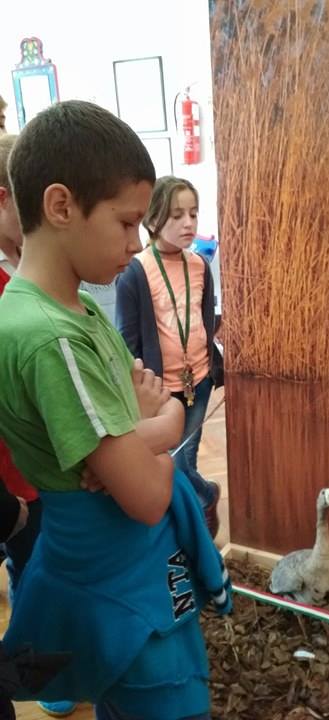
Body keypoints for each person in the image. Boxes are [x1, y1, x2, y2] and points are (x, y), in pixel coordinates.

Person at [0, 100, 231, 720]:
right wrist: (166, 424)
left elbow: (136, 419)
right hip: (117, 579)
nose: (136, 243)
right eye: (127, 223)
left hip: (122, 570)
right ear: (60, 205)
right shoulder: (53, 339)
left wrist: (134, 437)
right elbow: (147, 497)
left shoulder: (77, 308)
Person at [0, 132, 78, 718]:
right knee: (35, 572)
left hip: (31, 476)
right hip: (14, 480)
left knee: (36, 565)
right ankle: (37, 673)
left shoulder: (19, 274)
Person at [116, 176, 224, 539]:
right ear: (152, 219)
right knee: (173, 464)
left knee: (185, 459)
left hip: (200, 381)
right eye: (177, 215)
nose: (189, 223)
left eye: (193, 213)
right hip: (162, 391)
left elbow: (205, 319)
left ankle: (192, 520)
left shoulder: (200, 266)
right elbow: (127, 342)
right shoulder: (135, 272)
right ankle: (204, 499)